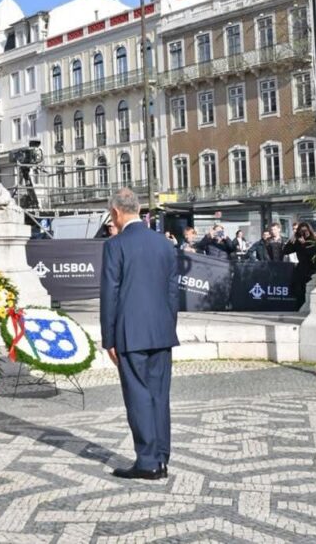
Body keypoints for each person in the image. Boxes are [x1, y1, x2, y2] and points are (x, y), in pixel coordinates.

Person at [99, 188, 179, 480]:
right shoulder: (164, 244)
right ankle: (161, 458)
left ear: (117, 212)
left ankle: (147, 461)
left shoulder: (115, 246)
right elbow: (173, 292)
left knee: (138, 396)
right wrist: (168, 326)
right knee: (159, 395)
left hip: (130, 334)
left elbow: (110, 294)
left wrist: (109, 339)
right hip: (161, 332)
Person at [283, 222, 316, 305]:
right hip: (301, 269)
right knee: (298, 289)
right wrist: (292, 240)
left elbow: (311, 253)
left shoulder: (315, 241)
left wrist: (304, 244)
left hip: (312, 269)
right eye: (301, 231)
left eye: (305, 231)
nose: (304, 233)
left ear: (309, 230)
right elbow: (285, 251)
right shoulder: (298, 242)